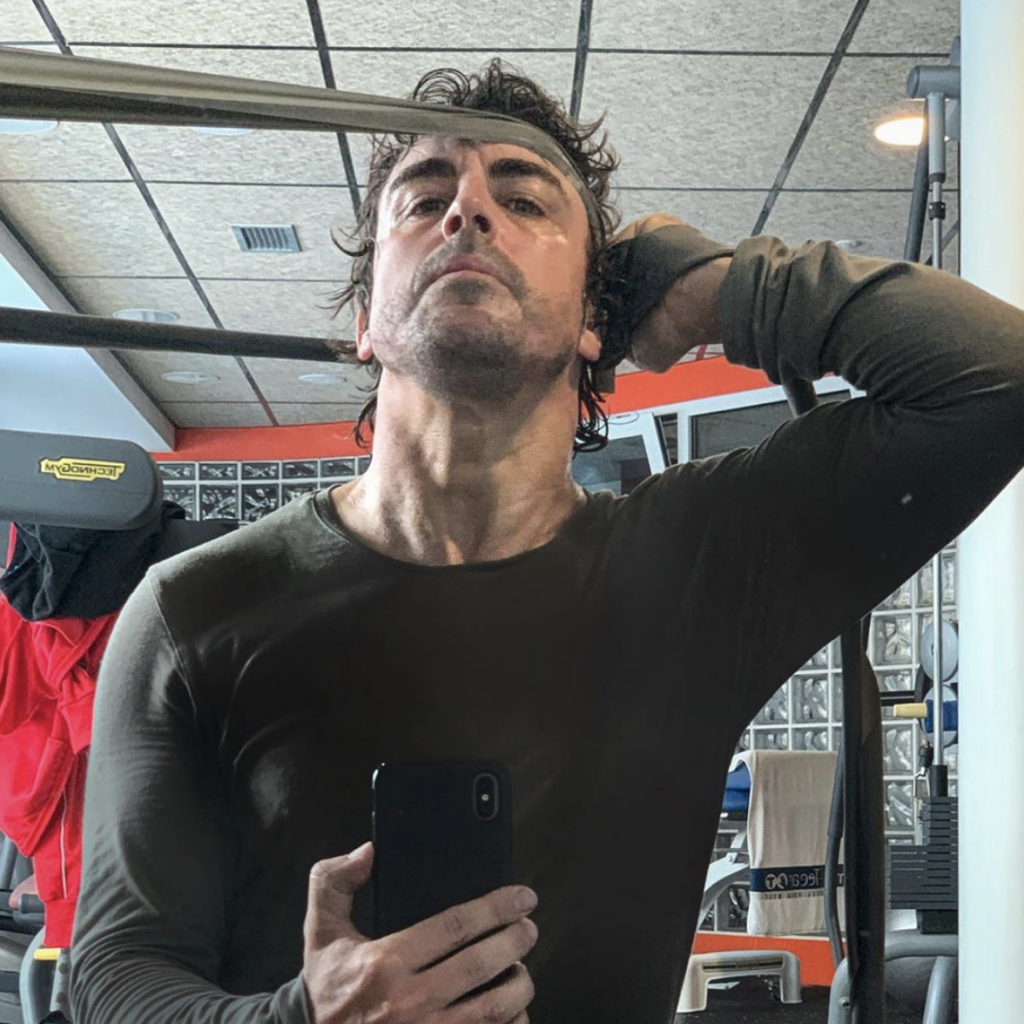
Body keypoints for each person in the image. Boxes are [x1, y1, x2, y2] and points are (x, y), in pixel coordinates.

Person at [68, 60, 1024, 1024]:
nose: (468, 212)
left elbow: (999, 378)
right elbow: (114, 980)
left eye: (523, 198)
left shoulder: (701, 564)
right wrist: (302, 1018)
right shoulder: (193, 609)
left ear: (593, 324)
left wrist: (720, 287)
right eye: (426, 198)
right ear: (365, 323)